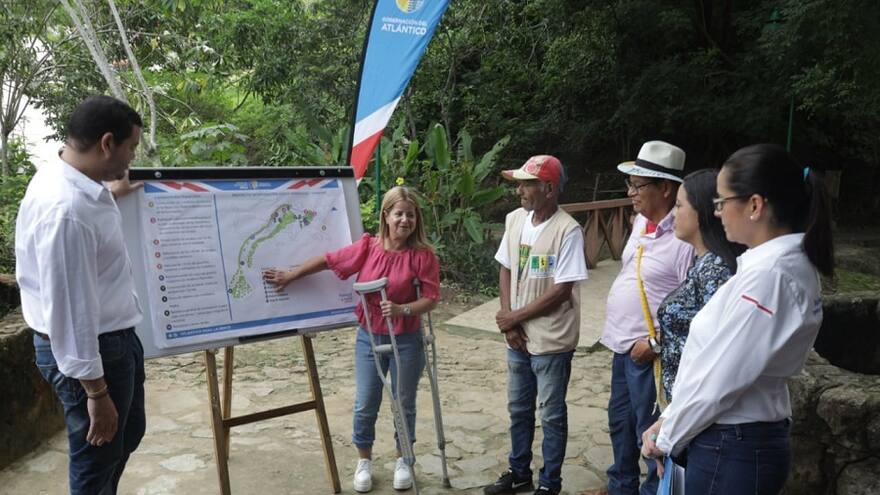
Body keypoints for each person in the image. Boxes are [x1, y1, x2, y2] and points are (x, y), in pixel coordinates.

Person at [641, 144, 834, 494]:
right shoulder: (769, 268)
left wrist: (667, 437)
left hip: (731, 445)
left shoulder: (769, 278)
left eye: (721, 202)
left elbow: (721, 380)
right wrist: (669, 419)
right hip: (732, 441)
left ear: (755, 206)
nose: (716, 213)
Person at [263, 185, 440, 493]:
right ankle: (364, 461)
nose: (405, 221)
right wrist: (292, 275)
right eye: (399, 214)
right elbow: (329, 260)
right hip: (369, 338)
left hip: (408, 339)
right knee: (365, 402)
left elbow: (431, 297)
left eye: (410, 215)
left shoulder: (422, 256)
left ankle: (404, 459)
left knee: (404, 403)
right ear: (386, 216)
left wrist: (402, 308)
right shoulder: (368, 247)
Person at [15, 95, 146, 494]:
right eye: (131, 148)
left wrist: (113, 193)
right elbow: (71, 313)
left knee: (127, 434)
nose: (131, 158)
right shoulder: (67, 211)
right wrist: (96, 390)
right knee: (97, 456)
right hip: (93, 354)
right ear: (107, 143)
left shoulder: (76, 181)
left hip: (114, 342)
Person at [588, 141, 694, 495]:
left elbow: (693, 309)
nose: (631, 193)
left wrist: (652, 344)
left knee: (651, 431)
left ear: (665, 188)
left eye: (638, 185)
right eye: (629, 185)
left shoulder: (685, 238)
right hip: (621, 345)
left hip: (650, 355)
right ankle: (620, 487)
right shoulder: (640, 224)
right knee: (620, 423)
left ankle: (653, 490)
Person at [484, 155, 588, 495]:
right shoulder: (515, 220)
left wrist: (515, 317)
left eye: (527, 184)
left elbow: (562, 289)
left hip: (552, 339)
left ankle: (550, 482)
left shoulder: (567, 230)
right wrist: (507, 321)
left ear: (549, 188)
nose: (520, 191)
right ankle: (519, 473)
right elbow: (505, 268)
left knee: (552, 415)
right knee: (518, 409)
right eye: (519, 184)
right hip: (517, 337)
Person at [657, 169, 745, 401]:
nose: (673, 214)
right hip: (686, 402)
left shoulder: (716, 272)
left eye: (678, 205)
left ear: (702, 211)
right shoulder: (702, 263)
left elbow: (718, 351)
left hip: (698, 407)